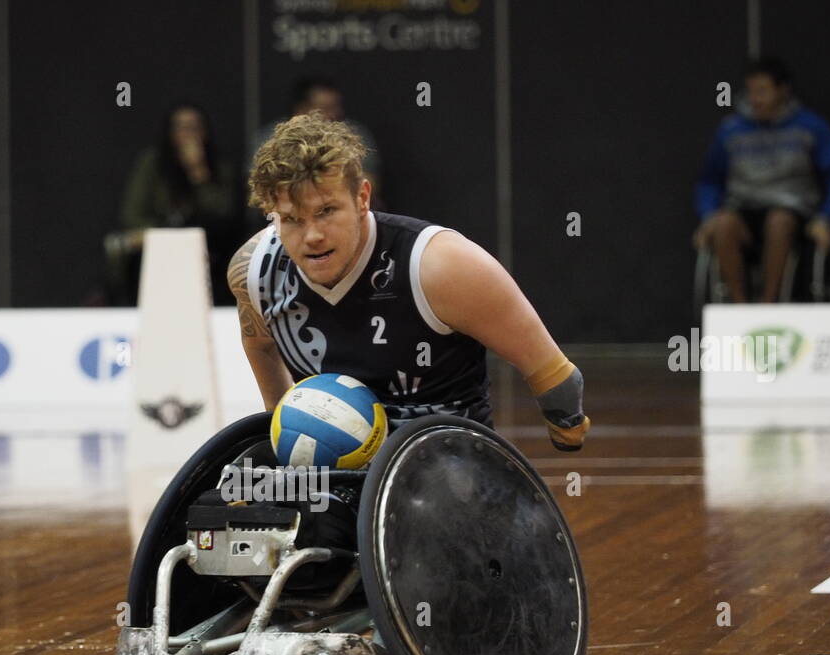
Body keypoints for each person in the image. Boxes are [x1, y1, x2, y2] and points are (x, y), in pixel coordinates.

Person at [227, 113, 588, 451]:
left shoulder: (442, 264)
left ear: (362, 197)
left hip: (445, 456)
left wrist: (568, 429)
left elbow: (552, 372)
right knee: (240, 491)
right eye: (292, 219)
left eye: (326, 211)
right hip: (334, 461)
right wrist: (282, 423)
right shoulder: (254, 270)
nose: (312, 236)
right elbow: (259, 344)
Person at [694, 57, 830, 303]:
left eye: (763, 91)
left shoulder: (810, 127)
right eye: (751, 92)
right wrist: (708, 216)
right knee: (723, 224)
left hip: (793, 213)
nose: (755, 99)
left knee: (778, 221)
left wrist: (827, 218)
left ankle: (767, 306)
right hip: (743, 211)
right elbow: (709, 180)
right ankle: (740, 310)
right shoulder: (731, 130)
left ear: (783, 90)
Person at [109, 103, 237, 303]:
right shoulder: (152, 163)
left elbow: (223, 213)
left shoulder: (219, 166)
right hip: (158, 245)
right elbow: (132, 215)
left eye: (193, 127)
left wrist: (199, 173)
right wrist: (168, 236)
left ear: (204, 132)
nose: (187, 134)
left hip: (208, 249)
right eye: (180, 127)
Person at [249, 76, 383, 202]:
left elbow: (368, 182)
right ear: (301, 109)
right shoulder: (271, 138)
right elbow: (259, 188)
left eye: (336, 107)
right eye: (325, 108)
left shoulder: (354, 134)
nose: (333, 114)